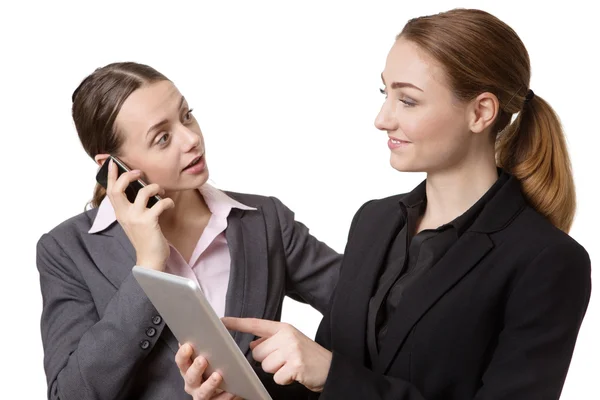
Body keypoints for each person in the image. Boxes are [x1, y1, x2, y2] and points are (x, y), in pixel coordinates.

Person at [177, 8, 592, 399]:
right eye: (385, 93)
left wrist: (331, 373)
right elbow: (330, 385)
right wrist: (248, 391)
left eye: (407, 100)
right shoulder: (375, 221)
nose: (382, 118)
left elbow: (338, 378)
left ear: (481, 112)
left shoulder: (548, 261)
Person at [36, 62, 341, 400]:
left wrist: (327, 371)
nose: (192, 138)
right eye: (162, 138)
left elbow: (374, 312)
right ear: (112, 165)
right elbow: (71, 395)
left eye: (186, 115)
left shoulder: (264, 221)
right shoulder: (68, 250)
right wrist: (149, 267)